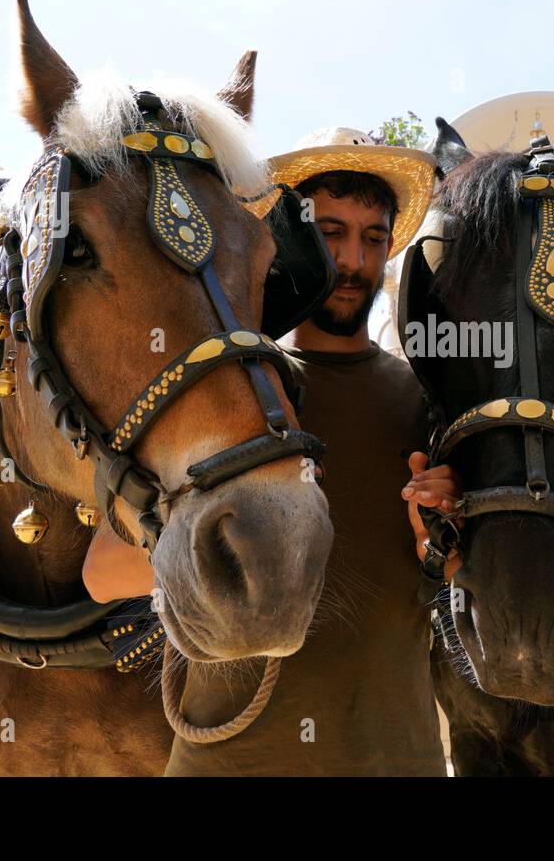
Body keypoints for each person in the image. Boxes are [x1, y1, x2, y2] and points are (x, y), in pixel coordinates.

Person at [162, 127, 460, 775]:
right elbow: (104, 572)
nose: (353, 260)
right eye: (330, 232)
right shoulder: (219, 389)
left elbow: (473, 586)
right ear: (290, 238)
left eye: (373, 237)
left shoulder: (430, 404)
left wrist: (445, 541)